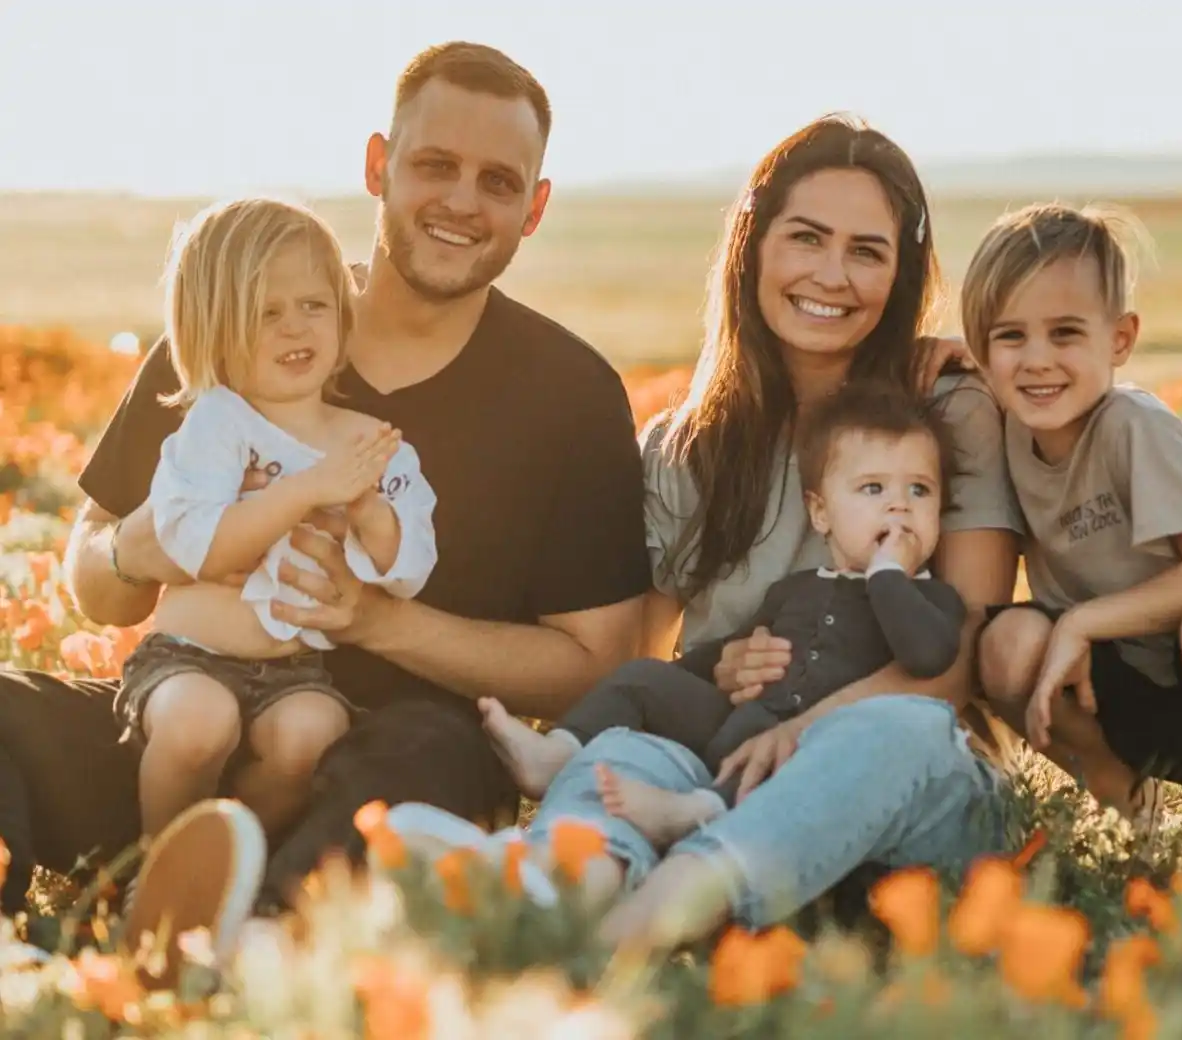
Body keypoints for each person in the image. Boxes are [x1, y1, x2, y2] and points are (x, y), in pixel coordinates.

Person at [1, 40, 651, 983]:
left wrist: (376, 619)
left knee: (430, 755)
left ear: (534, 208)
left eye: (497, 181)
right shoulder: (240, 323)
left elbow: (592, 666)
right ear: (378, 165)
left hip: (385, 765)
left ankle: (241, 943)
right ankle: (72, 936)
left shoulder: (570, 394)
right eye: (435, 166)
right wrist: (143, 547)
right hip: (184, 729)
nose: (462, 202)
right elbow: (95, 580)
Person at [383, 113, 1027, 951]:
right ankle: (555, 887)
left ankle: (636, 931)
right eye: (805, 238)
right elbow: (633, 659)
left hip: (908, 791)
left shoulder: (945, 412)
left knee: (887, 730)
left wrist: (806, 726)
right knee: (628, 746)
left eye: (866, 251)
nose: (831, 274)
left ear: (900, 273)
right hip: (726, 769)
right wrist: (714, 667)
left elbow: (960, 662)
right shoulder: (686, 447)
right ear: (753, 246)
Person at [963, 202, 1182, 852]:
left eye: (1066, 333)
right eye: (1010, 336)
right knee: (1005, 639)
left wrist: (1081, 621)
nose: (1036, 360)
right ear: (980, 350)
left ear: (1120, 340)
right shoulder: (1007, 435)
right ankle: (1136, 819)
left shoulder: (1135, 428)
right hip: (1121, 699)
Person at [479, 380, 967, 847]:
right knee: (643, 678)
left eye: (920, 491)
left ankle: (696, 810)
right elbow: (724, 651)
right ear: (821, 514)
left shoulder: (933, 601)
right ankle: (556, 753)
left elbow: (926, 654)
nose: (900, 507)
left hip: (813, 749)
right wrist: (711, 668)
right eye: (874, 489)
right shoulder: (795, 590)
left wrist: (888, 575)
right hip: (736, 722)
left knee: (768, 757)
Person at [118, 195, 439, 847]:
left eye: (313, 306)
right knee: (198, 724)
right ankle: (153, 868)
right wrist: (309, 490)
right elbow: (201, 549)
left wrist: (367, 510)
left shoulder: (370, 443)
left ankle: (230, 862)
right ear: (214, 329)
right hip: (187, 658)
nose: (295, 328)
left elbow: (408, 568)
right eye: (266, 313)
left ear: (343, 317)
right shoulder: (215, 424)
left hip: (294, 671)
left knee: (311, 736)